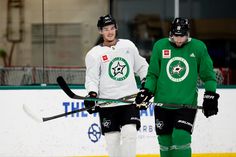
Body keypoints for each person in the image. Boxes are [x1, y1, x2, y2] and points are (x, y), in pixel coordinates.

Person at [135, 17, 220, 157]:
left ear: (188, 34)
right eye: (176, 36)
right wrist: (146, 91)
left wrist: (210, 95)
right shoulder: (160, 46)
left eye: (182, 36)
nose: (179, 40)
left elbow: (209, 76)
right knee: (165, 142)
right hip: (162, 103)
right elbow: (153, 75)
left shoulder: (198, 47)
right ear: (171, 34)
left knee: (181, 137)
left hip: (186, 105)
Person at [84, 14, 149, 157]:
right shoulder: (94, 54)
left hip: (129, 101)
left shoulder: (128, 46)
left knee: (130, 132)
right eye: (106, 29)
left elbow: (142, 66)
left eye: (112, 28)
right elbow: (92, 79)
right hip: (108, 104)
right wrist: (92, 94)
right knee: (112, 141)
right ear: (100, 31)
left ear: (116, 28)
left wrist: (145, 85)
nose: (109, 32)